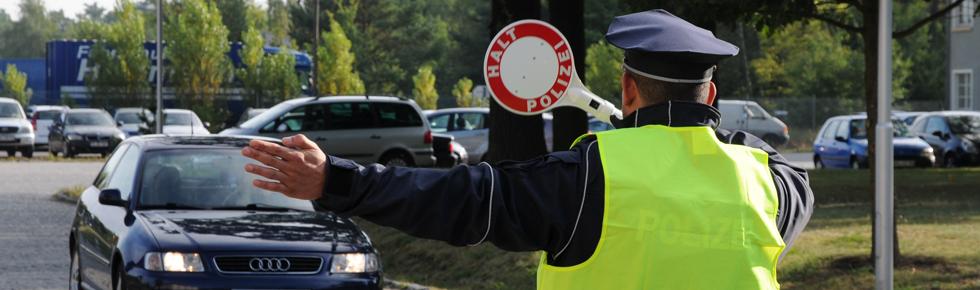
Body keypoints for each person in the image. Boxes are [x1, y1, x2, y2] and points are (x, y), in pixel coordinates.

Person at [241, 9, 813, 290]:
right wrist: (720, 137)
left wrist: (335, 181)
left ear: (628, 91)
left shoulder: (586, 178)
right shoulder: (767, 183)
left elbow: (462, 199)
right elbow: (784, 173)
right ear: (712, 93)